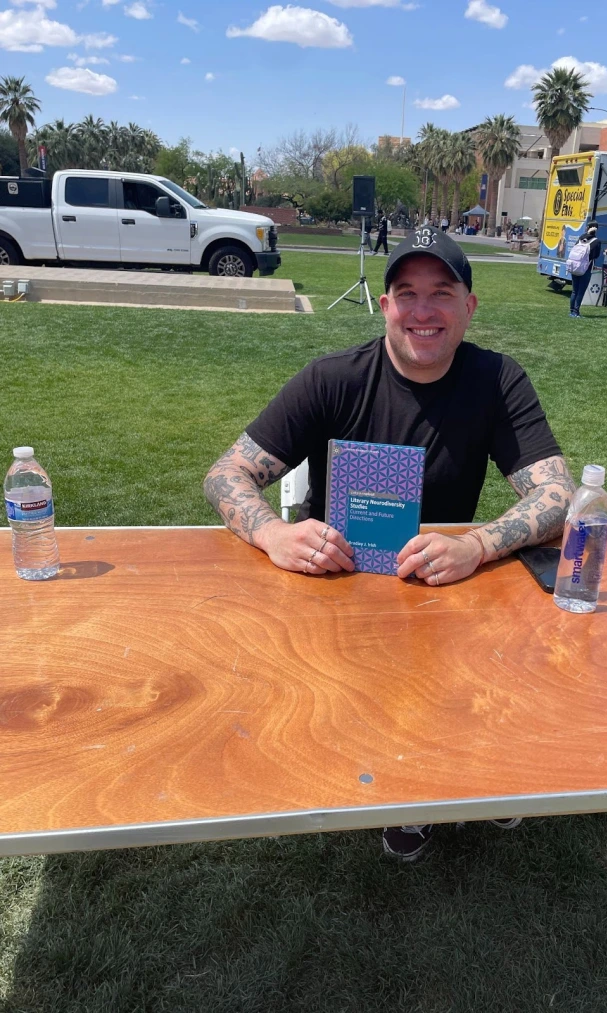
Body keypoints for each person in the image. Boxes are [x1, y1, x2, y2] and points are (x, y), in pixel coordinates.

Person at [204, 227, 575, 863]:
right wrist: (272, 533)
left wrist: (478, 545)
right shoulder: (332, 379)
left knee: (484, 674)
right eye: (407, 294)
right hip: (338, 588)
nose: (423, 311)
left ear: (469, 306)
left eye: (442, 293)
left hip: (446, 591)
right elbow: (224, 474)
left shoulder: (496, 380)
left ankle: (460, 781)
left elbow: (559, 496)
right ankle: (403, 791)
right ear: (385, 306)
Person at [568, 221, 601, 318]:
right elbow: (596, 255)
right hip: (586, 268)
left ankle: (571, 311)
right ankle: (576, 311)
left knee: (574, 290)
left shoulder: (581, 238)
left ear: (587, 228)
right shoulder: (597, 241)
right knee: (581, 291)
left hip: (575, 266)